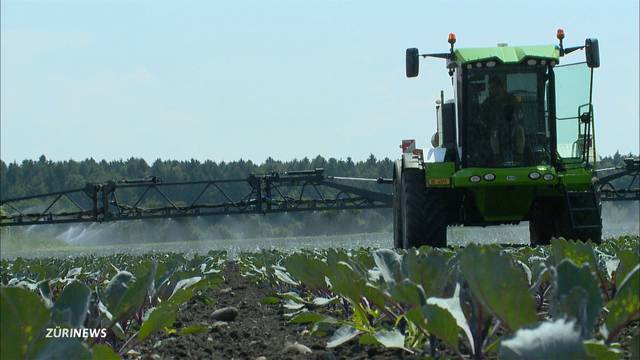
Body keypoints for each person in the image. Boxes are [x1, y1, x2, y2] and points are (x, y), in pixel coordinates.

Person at [479, 76, 525, 165]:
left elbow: (520, 113)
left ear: (500, 87)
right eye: (490, 88)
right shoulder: (488, 102)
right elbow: (481, 117)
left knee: (520, 130)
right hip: (495, 128)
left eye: (493, 87)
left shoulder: (512, 99)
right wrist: (486, 125)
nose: (492, 90)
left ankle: (520, 156)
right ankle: (497, 157)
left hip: (513, 127)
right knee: (494, 133)